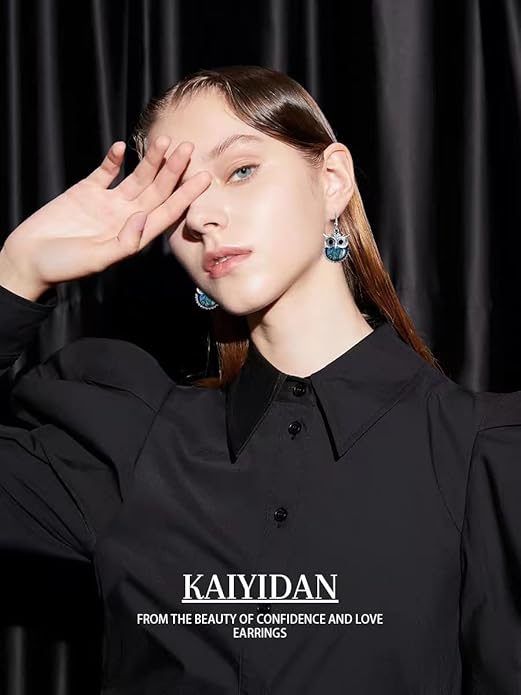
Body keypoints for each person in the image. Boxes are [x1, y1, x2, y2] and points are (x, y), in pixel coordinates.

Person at [0, 64, 520, 694]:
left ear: (332, 180)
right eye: (176, 197)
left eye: (240, 170)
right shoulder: (128, 442)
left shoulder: (483, 457)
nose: (202, 216)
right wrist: (16, 274)